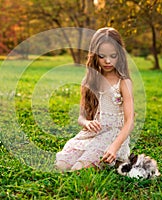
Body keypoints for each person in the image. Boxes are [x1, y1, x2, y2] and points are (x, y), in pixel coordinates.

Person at [55, 27, 134, 171]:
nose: (108, 61)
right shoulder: (90, 80)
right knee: (61, 165)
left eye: (113, 55)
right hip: (91, 135)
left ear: (120, 55)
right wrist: (87, 122)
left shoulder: (123, 82)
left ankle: (114, 158)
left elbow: (129, 121)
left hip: (113, 137)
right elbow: (81, 116)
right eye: (102, 56)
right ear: (94, 55)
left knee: (78, 169)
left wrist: (114, 147)